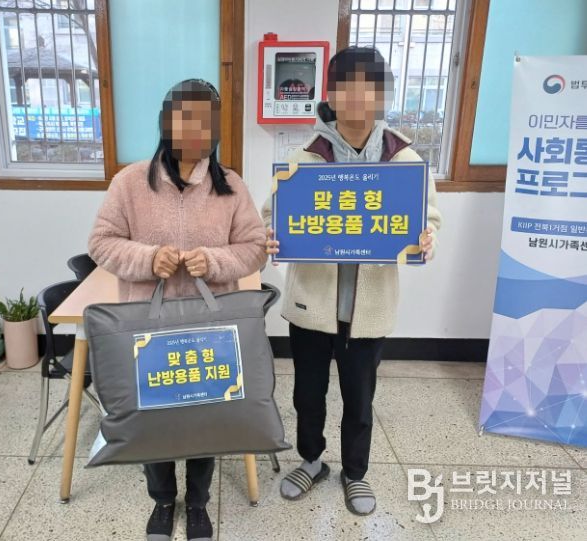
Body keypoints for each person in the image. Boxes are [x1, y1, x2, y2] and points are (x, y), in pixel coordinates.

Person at [262, 47, 442, 516]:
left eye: (369, 86)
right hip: (311, 304)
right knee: (308, 395)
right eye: (346, 86)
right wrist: (273, 235)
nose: (358, 97)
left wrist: (425, 239)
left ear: (382, 95)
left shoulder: (404, 160)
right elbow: (271, 215)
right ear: (331, 94)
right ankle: (311, 460)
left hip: (369, 308)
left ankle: (355, 472)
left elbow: (428, 219)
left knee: (360, 398)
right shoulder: (305, 157)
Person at [88, 79, 267, 541]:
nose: (194, 130)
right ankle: (163, 501)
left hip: (212, 328)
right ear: (166, 123)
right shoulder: (130, 182)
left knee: (207, 416)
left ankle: (200, 502)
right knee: (155, 419)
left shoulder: (232, 186)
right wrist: (148, 259)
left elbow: (254, 249)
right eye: (184, 118)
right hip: (148, 329)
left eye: (205, 121)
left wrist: (216, 261)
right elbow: (101, 243)